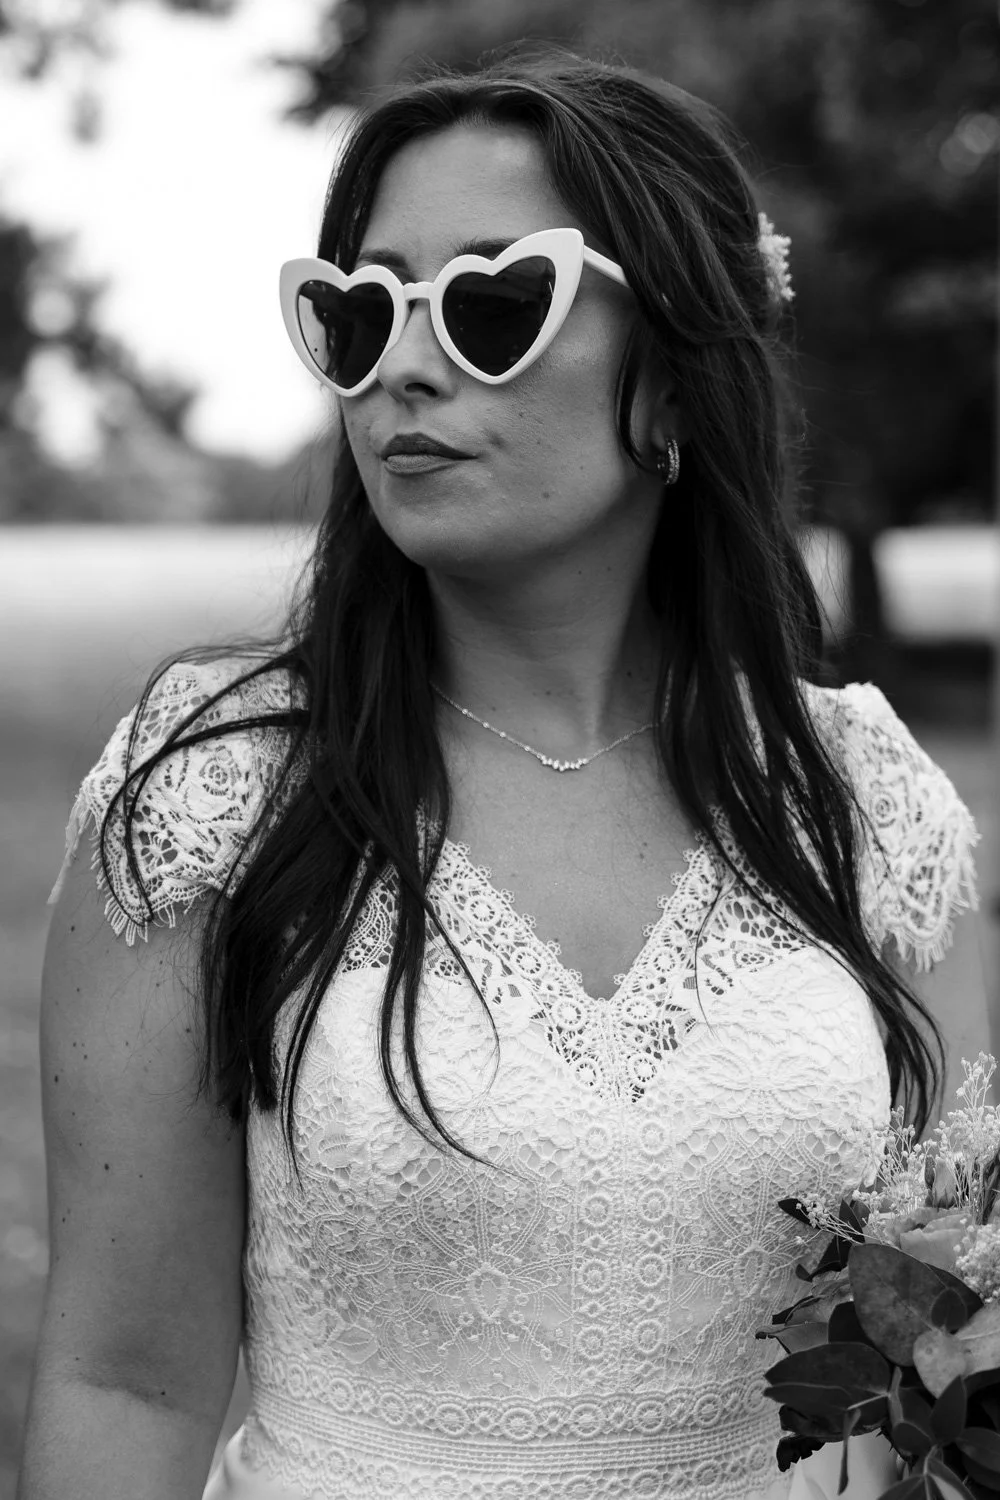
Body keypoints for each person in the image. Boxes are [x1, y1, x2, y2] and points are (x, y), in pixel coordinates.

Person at [18, 48, 991, 1500]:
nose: (402, 364)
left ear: (674, 367)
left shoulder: (858, 797)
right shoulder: (216, 798)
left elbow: (931, 1318)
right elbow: (125, 1382)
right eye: (357, 314)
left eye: (490, 305)